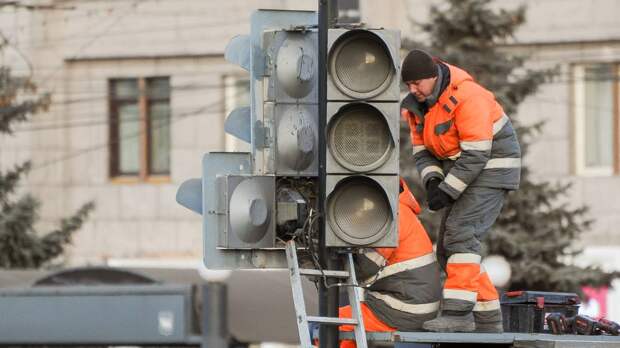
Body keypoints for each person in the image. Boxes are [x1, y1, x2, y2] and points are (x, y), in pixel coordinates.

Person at [400, 49, 521, 333]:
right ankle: (489, 319)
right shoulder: (416, 109)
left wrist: (448, 190)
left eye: (417, 83)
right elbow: (423, 154)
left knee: (461, 237)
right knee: (447, 251)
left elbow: (478, 154)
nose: (413, 89)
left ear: (433, 76)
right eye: (408, 85)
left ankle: (458, 314)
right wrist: (432, 182)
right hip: (465, 172)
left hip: (491, 170)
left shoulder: (469, 97)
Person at [338, 178, 441, 347]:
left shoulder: (391, 216)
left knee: (331, 321)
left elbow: (366, 268)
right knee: (347, 324)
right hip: (414, 306)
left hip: (404, 310)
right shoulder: (402, 211)